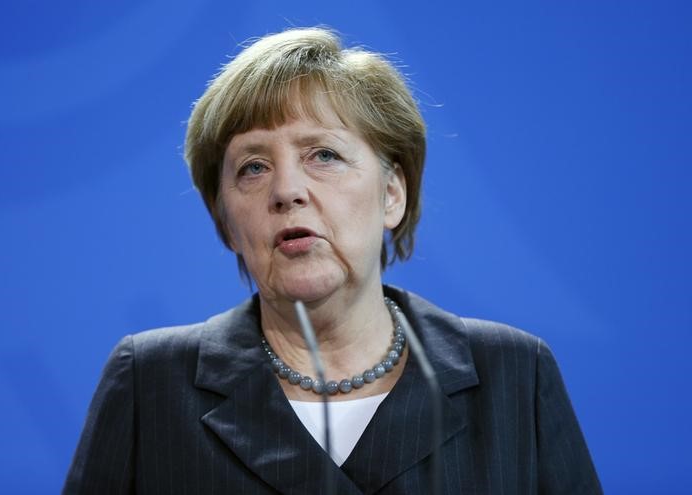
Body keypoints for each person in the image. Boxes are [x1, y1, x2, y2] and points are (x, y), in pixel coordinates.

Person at [63, 27, 602, 494]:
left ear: (393, 194)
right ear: (226, 219)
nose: (286, 190)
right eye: (252, 167)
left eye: (323, 155)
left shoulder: (512, 374)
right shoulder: (150, 384)